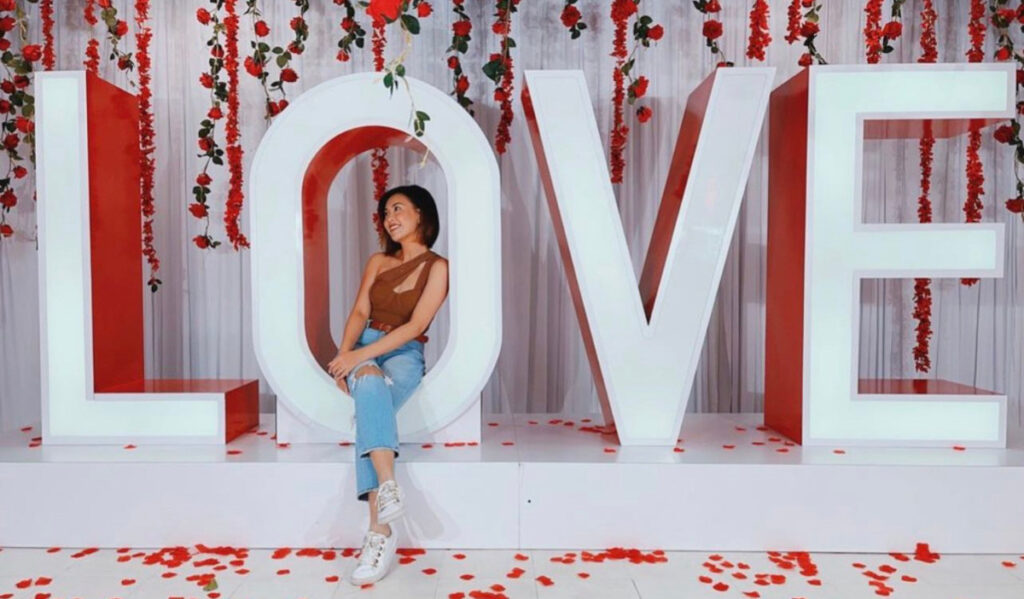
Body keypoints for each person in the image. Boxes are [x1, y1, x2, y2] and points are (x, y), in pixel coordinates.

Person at [327, 184, 449, 586]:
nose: (389, 218)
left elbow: (416, 325)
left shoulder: (438, 266)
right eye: (384, 213)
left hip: (403, 349)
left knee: (370, 402)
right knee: (370, 389)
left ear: (421, 215)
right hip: (363, 344)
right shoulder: (378, 260)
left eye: (398, 209)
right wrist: (346, 356)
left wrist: (360, 360)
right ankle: (384, 514)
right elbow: (360, 309)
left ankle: (379, 532)